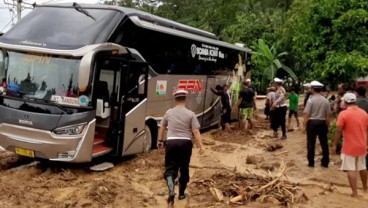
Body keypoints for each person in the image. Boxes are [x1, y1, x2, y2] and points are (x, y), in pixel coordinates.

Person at [157, 90, 204, 205]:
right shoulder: (191, 114)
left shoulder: (168, 112)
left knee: (170, 169)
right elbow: (196, 131)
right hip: (185, 144)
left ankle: (171, 191)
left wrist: (160, 141)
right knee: (184, 168)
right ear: (185, 100)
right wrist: (201, 146)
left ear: (175, 100)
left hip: (171, 143)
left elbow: (162, 127)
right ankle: (182, 194)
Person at [332, 92, 368, 197]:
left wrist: (334, 145)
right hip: (362, 144)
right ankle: (365, 188)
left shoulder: (343, 114)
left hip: (350, 146)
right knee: (362, 166)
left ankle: (355, 193)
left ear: (346, 102)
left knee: (351, 169)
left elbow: (338, 131)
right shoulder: (364, 113)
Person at [303, 81, 331, 168]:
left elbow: (307, 114)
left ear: (312, 89)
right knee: (324, 143)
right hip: (322, 123)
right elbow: (328, 115)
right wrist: (328, 126)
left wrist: (304, 126)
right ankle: (325, 162)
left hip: (312, 123)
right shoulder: (326, 101)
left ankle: (311, 162)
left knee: (311, 143)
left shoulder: (310, 100)